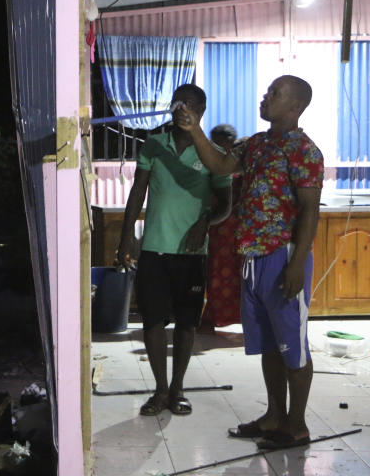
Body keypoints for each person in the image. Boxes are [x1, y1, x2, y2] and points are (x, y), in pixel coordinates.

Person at [176, 75, 323, 449]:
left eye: (275, 93)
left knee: (293, 345)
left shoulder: (304, 151)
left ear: (294, 106)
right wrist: (195, 131)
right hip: (252, 258)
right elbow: (221, 167)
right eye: (268, 90)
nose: (265, 96)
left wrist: (296, 264)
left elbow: (309, 212)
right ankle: (274, 415)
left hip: (283, 256)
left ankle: (297, 425)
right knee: (269, 344)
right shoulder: (257, 144)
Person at [116, 84, 232, 417]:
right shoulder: (154, 143)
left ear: (202, 110)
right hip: (153, 247)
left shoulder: (211, 154)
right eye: (178, 103)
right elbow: (139, 189)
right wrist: (127, 235)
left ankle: (178, 389)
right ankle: (160, 391)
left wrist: (206, 221)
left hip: (191, 253)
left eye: (191, 105)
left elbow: (225, 204)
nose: (183, 109)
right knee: (152, 322)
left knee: (186, 324)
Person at [198, 124, 244, 334]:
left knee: (241, 276)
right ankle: (212, 317)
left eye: (220, 142)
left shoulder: (239, 161)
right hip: (219, 228)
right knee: (216, 272)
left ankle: (245, 319)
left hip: (241, 230)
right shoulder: (211, 162)